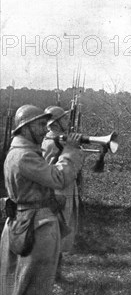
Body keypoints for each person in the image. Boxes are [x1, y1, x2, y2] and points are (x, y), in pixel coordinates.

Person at [1, 105, 84, 295]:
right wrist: (70, 152)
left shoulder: (20, 152)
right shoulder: (24, 156)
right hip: (37, 226)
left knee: (20, 284)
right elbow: (59, 178)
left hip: (27, 222)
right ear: (25, 127)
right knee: (36, 288)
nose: (44, 130)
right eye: (39, 125)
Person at [41, 106, 80, 280]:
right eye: (63, 119)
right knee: (58, 229)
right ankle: (53, 274)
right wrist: (72, 149)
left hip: (64, 187)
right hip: (59, 190)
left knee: (62, 229)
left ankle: (56, 272)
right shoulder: (53, 141)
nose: (66, 121)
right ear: (55, 122)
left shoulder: (54, 139)